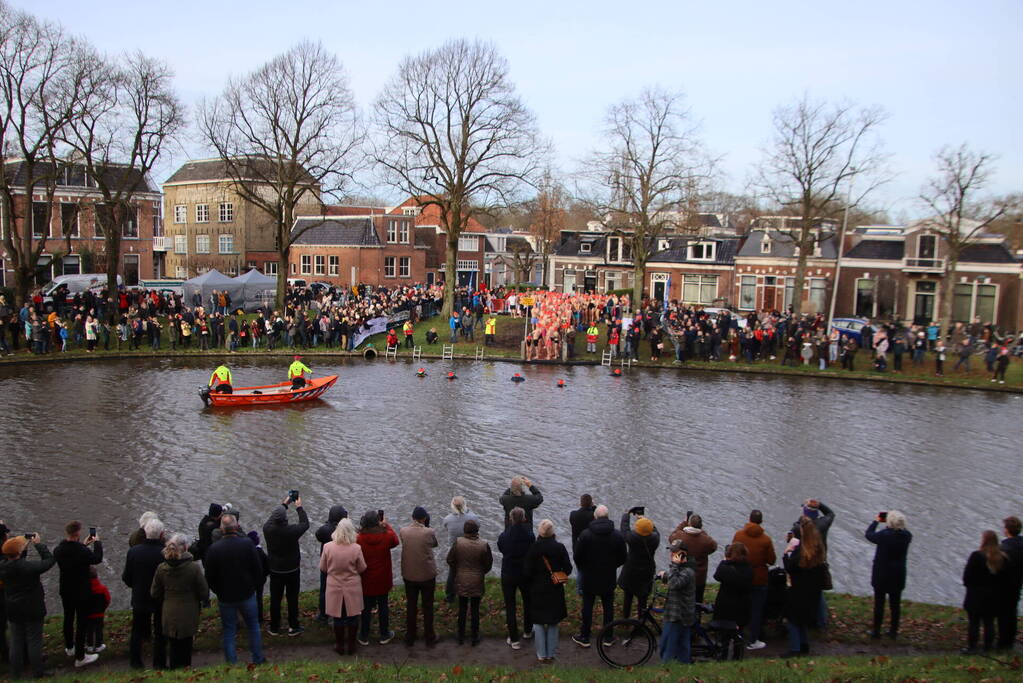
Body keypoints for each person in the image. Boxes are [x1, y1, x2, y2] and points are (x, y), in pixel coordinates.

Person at [204, 516, 266, 665]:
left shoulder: (214, 549)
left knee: (229, 631)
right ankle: (258, 658)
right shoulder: (247, 544)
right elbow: (258, 570)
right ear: (237, 526)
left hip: (226, 597)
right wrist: (253, 587)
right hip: (247, 593)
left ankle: (232, 663)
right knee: (253, 626)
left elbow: (210, 576)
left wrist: (218, 591)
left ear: (221, 529)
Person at [0, 533, 56, 678]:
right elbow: (49, 561)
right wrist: (38, 544)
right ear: (18, 552)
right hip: (32, 607)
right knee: (34, 640)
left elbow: (15, 560)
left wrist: (22, 546)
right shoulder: (28, 567)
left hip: (13, 608)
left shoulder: (3, 567)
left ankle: (15, 673)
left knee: (16, 641)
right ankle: (38, 672)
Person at [151, 533, 209, 669]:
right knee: (186, 645)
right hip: (189, 612)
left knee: (172, 644)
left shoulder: (162, 568)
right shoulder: (193, 568)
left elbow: (154, 592)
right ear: (186, 547)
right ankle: (185, 670)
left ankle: (173, 670)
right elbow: (204, 592)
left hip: (169, 611)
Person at [572, 504, 627, 648]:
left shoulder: (585, 535)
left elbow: (577, 556)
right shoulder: (617, 535)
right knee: (608, 607)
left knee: (587, 606)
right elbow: (623, 557)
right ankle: (608, 636)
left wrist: (585, 568)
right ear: (607, 517)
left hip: (589, 576)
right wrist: (613, 566)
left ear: (595, 517)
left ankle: (584, 636)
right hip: (608, 576)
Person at [54, 520, 103, 667]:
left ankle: (69, 647)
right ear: (77, 533)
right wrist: (97, 543)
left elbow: (74, 554)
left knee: (68, 618)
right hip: (81, 591)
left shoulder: (58, 550)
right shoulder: (82, 551)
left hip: (66, 590)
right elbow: (97, 558)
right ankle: (80, 657)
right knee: (82, 622)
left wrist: (83, 545)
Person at [523, 519, 572, 663]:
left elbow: (527, 572)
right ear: (553, 532)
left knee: (538, 622)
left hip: (537, 589)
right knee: (553, 621)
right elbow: (568, 569)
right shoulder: (560, 547)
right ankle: (551, 653)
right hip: (555, 589)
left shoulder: (533, 548)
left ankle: (541, 653)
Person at [122, 518, 167, 669]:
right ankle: (159, 663)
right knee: (160, 631)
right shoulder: (165, 553)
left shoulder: (134, 552)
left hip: (140, 596)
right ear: (161, 534)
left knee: (137, 631)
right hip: (160, 597)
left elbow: (126, 577)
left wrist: (135, 586)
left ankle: (135, 662)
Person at [263, 493, 310, 636]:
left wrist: (284, 504)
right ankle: (293, 625)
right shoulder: (292, 531)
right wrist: (299, 507)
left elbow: (272, 518)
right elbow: (305, 524)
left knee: (275, 598)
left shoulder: (267, 529)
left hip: (275, 570)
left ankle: (274, 627)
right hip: (292, 570)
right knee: (292, 598)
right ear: (285, 519)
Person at [783, 517, 829, 657]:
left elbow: (790, 568)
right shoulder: (818, 549)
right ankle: (804, 645)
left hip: (798, 590)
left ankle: (795, 649)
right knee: (803, 619)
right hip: (813, 591)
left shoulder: (800, 554)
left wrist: (787, 552)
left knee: (793, 620)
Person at [321, 519, 367, 656]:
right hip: (352, 587)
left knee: (338, 618)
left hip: (334, 587)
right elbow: (362, 567)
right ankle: (352, 646)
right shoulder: (356, 548)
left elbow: (323, 567)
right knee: (353, 617)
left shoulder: (328, 547)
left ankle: (340, 645)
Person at [732, 510, 776, 650]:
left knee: (739, 608)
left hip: (741, 577)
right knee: (756, 611)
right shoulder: (766, 540)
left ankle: (736, 636)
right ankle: (753, 640)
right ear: (761, 521)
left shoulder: (738, 535)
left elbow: (732, 553)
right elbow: (771, 560)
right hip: (759, 578)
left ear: (749, 519)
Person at [865, 510, 912, 640]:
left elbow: (869, 535)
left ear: (889, 522)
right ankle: (893, 631)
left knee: (879, 603)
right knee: (895, 604)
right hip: (898, 575)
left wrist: (876, 521)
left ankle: (876, 631)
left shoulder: (884, 535)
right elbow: (903, 530)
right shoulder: (907, 536)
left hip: (882, 574)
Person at [962, 530, 1011, 654]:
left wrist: (971, 587)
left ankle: (972, 647)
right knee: (989, 622)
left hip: (976, 595)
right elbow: (1006, 579)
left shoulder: (976, 556)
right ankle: (987, 647)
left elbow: (967, 577)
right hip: (994, 596)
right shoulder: (1003, 558)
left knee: (974, 622)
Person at [356, 511, 399, 646]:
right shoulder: (386, 536)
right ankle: (384, 633)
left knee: (366, 607)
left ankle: (364, 635)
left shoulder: (359, 538)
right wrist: (386, 525)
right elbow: (396, 541)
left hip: (366, 578)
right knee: (383, 605)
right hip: (383, 577)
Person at [447, 519, 493, 646]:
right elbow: (488, 564)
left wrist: (458, 570)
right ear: (477, 531)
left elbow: (450, 559)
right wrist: (480, 572)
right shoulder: (484, 545)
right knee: (475, 609)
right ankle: (474, 636)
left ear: (464, 531)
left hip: (461, 578)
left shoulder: (458, 543)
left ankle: (460, 636)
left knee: (462, 608)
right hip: (477, 580)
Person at [400, 506, 439, 647]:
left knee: (411, 605)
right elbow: (434, 544)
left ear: (412, 518)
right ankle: (430, 636)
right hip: (427, 575)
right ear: (424, 519)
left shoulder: (403, 531)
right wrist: (427, 527)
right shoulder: (429, 531)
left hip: (409, 575)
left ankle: (410, 636)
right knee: (427, 606)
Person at [497, 507, 535, 649]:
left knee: (510, 605)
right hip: (525, 573)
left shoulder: (504, 535)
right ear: (524, 518)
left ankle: (514, 639)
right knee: (528, 601)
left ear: (511, 518)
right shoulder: (529, 535)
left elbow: (501, 548)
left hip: (508, 573)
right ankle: (527, 630)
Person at [712, 542, 753, 659]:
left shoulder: (726, 568)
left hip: (726, 607)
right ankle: (737, 657)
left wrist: (725, 561)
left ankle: (722, 657)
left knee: (724, 636)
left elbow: (717, 576)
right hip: (742, 607)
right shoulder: (748, 569)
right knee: (738, 636)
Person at [658, 539, 695, 664]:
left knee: (668, 646)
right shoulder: (682, 568)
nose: (671, 555)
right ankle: (684, 666)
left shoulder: (688, 571)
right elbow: (674, 577)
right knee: (682, 646)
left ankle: (666, 669)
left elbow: (674, 583)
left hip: (678, 614)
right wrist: (665, 575)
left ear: (682, 554)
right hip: (676, 613)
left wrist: (674, 565)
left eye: (674, 553)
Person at [618, 509, 659, 620]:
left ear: (638, 529)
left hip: (631, 571)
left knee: (628, 596)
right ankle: (641, 622)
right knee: (643, 598)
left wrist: (626, 515)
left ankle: (625, 619)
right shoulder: (655, 539)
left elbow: (624, 529)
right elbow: (654, 529)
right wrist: (644, 520)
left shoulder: (632, 538)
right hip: (646, 572)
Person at [668, 513, 717, 604]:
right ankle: (696, 616)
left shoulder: (679, 535)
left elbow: (671, 537)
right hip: (698, 577)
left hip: (681, 574)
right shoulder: (705, 540)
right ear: (701, 526)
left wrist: (683, 523)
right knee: (697, 602)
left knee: (680, 600)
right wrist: (702, 532)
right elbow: (713, 546)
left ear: (689, 523)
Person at [442, 496, 480, 603]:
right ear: (465, 505)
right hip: (470, 549)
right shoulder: (473, 517)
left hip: (454, 551)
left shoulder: (447, 519)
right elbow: (478, 526)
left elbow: (446, 528)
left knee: (452, 573)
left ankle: (450, 596)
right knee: (471, 572)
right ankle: (470, 594)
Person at [315, 505, 348, 622]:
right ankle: (341, 612)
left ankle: (323, 615)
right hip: (341, 565)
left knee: (324, 589)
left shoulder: (325, 530)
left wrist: (327, 523)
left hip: (327, 564)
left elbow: (318, 535)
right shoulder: (346, 530)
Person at [998, 516, 1023, 650]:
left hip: (1004, 585)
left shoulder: (1004, 548)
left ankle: (1003, 643)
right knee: (1012, 611)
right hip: (1017, 583)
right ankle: (1010, 639)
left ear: (1007, 530)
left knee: (1003, 614)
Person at [84, 566, 110, 655]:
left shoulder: (84, 589)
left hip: (87, 615)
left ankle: (90, 645)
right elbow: (107, 600)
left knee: (89, 630)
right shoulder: (102, 589)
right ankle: (99, 645)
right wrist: (103, 609)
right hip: (99, 614)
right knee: (99, 629)